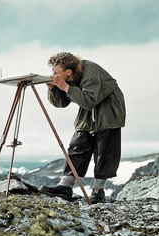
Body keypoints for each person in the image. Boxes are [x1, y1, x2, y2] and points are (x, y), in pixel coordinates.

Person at [39, 52, 126, 204]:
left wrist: (65, 86)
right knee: (78, 144)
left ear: (68, 72)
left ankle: (98, 191)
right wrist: (53, 89)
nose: (53, 74)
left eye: (56, 72)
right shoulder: (70, 77)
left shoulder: (91, 71)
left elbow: (89, 100)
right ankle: (65, 186)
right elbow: (62, 103)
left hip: (108, 110)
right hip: (89, 110)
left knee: (104, 150)